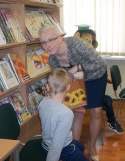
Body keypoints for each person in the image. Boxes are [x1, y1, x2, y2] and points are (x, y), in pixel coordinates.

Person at [39, 27, 107, 161]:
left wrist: (77, 67)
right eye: (43, 42)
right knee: (78, 111)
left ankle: (92, 146)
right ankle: (74, 145)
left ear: (60, 37)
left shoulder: (76, 44)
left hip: (96, 76)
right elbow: (60, 78)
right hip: (76, 80)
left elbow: (98, 63)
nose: (47, 46)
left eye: (50, 40)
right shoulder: (52, 60)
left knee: (96, 111)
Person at [39, 69, 89, 161]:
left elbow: (54, 111)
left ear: (47, 87)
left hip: (45, 145)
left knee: (81, 146)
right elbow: (56, 146)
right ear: (68, 87)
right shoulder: (66, 114)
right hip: (62, 149)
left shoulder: (43, 102)